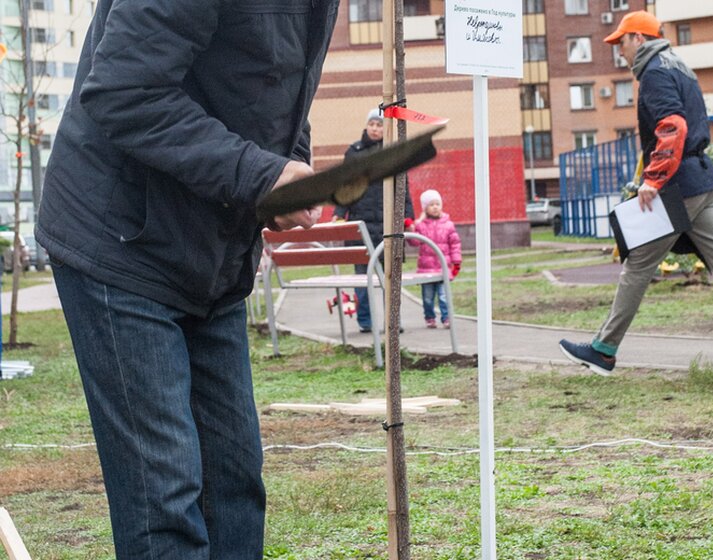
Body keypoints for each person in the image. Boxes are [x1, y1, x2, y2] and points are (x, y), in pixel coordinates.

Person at [34, 1, 338, 558]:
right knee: (165, 495)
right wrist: (258, 174)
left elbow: (279, 93)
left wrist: (286, 172)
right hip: (119, 241)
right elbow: (124, 92)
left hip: (211, 250)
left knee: (234, 482)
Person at [559, 11, 713, 376]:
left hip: (676, 187)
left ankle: (603, 350)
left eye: (621, 42)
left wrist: (653, 179)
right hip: (701, 180)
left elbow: (673, 125)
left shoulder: (654, 73)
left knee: (638, 265)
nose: (619, 51)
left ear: (639, 39)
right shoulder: (679, 66)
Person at [333, 109, 416, 333]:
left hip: (388, 225)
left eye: (380, 125)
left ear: (385, 128)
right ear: (366, 126)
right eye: (372, 124)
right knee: (363, 277)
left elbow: (403, 188)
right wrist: (339, 212)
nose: (375, 129)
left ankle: (393, 321)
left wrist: (407, 216)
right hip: (361, 223)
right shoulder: (354, 152)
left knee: (391, 276)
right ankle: (365, 321)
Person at [408, 189, 462, 328]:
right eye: (431, 205)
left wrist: (456, 262)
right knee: (427, 297)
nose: (435, 207)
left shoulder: (448, 225)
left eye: (437, 204)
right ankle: (430, 317)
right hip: (426, 269)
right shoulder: (421, 225)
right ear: (425, 208)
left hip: (443, 267)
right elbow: (414, 242)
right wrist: (411, 229)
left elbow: (455, 244)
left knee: (444, 296)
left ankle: (446, 318)